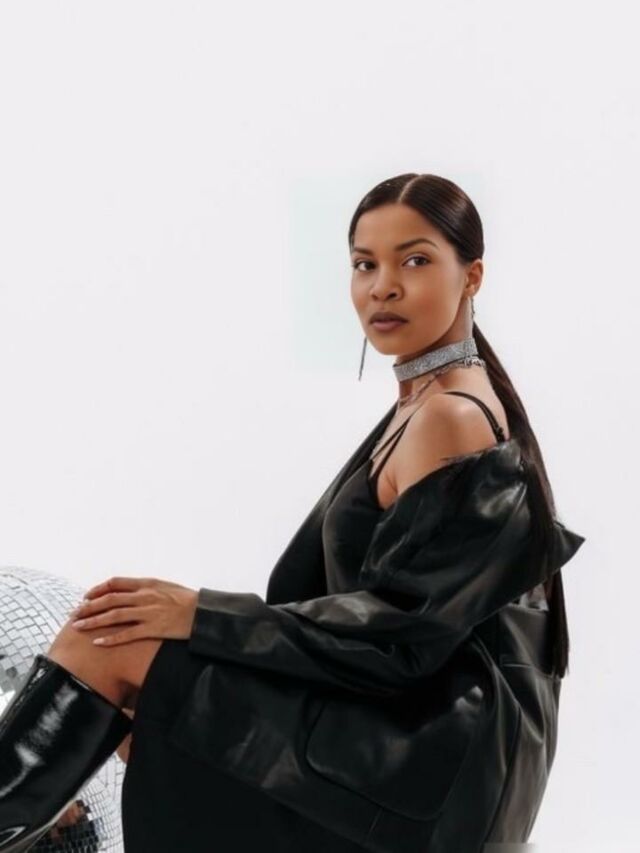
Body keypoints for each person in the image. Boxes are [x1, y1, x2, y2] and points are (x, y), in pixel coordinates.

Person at [0, 173, 585, 852]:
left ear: (471, 276)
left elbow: (400, 640)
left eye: (415, 260)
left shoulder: (452, 415)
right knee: (131, 686)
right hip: (413, 745)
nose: (383, 286)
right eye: (365, 264)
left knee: (114, 644)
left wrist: (200, 614)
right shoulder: (424, 402)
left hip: (438, 773)